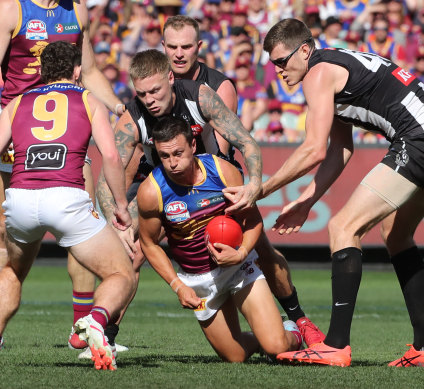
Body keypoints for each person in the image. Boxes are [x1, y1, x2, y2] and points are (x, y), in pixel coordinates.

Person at [224, 18, 424, 367]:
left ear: (304, 50)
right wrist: (308, 200)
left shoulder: (318, 73)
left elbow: (313, 149)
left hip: (421, 139)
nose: (279, 71)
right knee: (395, 236)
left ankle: (335, 345)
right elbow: (340, 149)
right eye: (273, 64)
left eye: (282, 61)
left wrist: (257, 189)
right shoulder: (332, 67)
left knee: (342, 228)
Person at [101, 17, 325, 348]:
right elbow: (112, 169)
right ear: (162, 50)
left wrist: (253, 185)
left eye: (186, 46)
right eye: (172, 47)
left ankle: (298, 318)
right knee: (125, 249)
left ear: (197, 49)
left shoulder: (210, 91)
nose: (179, 53)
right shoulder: (138, 107)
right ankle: (104, 334)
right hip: (162, 181)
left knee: (258, 245)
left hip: (210, 179)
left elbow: (235, 148)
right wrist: (117, 217)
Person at [0, 0, 126, 357]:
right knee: (0, 230)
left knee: (82, 227)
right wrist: (0, 131)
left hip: (69, 131)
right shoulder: (10, 9)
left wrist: (117, 106)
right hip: (22, 128)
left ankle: (82, 332)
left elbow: (90, 71)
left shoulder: (77, 11)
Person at [138, 117, 302, 362]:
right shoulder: (151, 192)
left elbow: (254, 220)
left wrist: (242, 252)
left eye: (178, 153)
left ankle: (293, 333)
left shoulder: (223, 172)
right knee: (235, 357)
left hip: (238, 266)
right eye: (164, 156)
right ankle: (262, 336)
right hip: (197, 279)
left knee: (277, 347)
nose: (172, 163)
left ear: (193, 145)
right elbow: (149, 243)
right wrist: (177, 285)